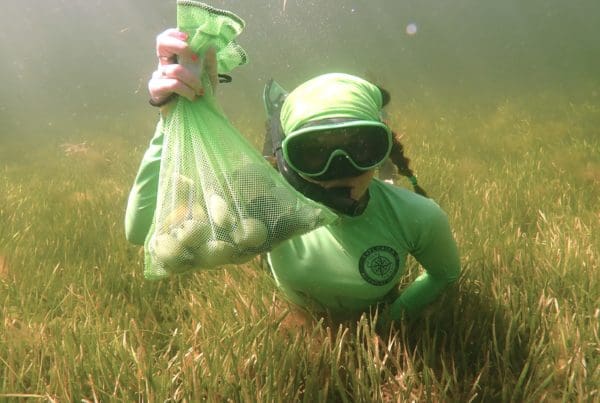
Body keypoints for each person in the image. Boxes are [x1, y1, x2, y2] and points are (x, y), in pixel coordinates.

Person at [125, 29, 460, 324]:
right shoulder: (269, 206)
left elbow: (444, 274)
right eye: (314, 151)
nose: (340, 169)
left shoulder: (415, 216)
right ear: (288, 159)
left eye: (361, 147)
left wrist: (386, 325)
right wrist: (170, 113)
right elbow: (142, 231)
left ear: (381, 148)